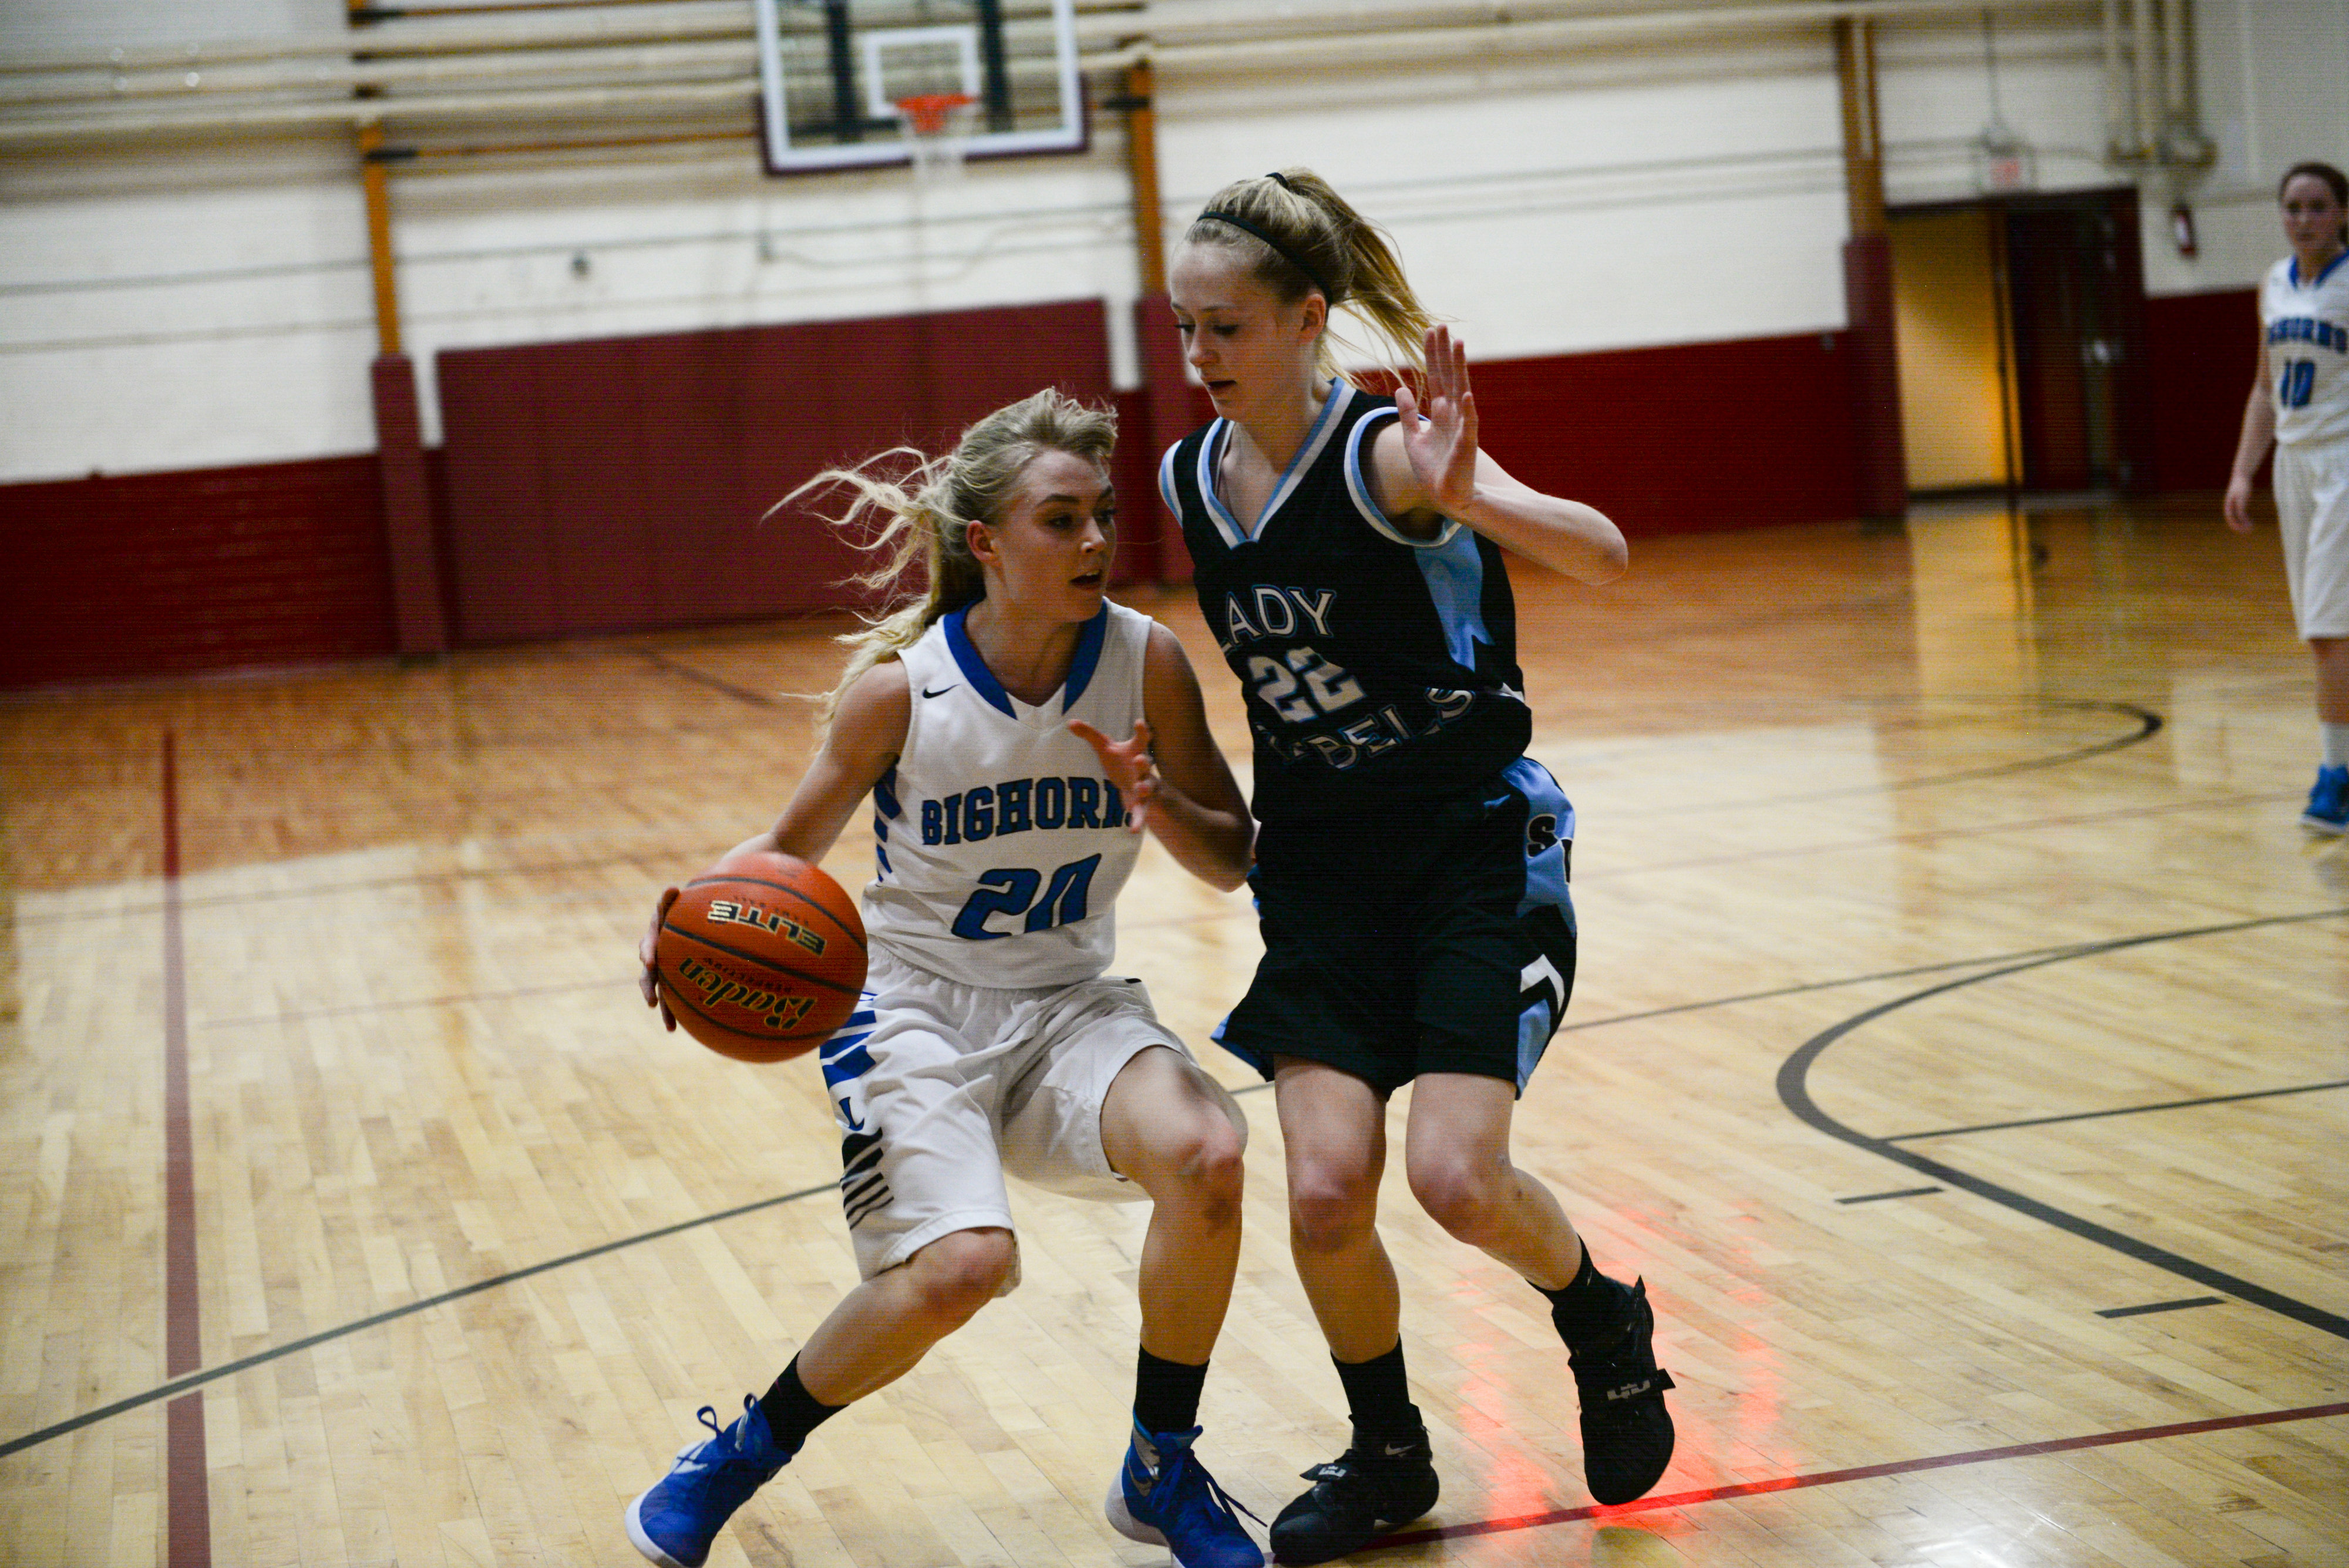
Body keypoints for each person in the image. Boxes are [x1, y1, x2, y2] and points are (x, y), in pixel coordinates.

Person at [625, 389, 1267, 1568]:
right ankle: (737, 1454)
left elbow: (1230, 860)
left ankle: (1158, 1468)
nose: (1090, 544)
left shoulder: (1145, 661)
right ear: (985, 543)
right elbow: (783, 854)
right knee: (964, 1268)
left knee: (1211, 1156)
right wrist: (679, 927)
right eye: (1057, 520)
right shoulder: (900, 693)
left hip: (1073, 1007)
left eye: (1101, 518)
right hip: (913, 1012)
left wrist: (1155, 802)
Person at [1156, 170, 1671, 1564]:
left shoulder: (1391, 457)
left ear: (1306, 319)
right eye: (1184, 329)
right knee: (1323, 1191)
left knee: (1452, 1177)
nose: (1198, 360)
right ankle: (1389, 1456)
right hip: (1319, 868)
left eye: (1227, 330)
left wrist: (1472, 496)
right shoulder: (1185, 479)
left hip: (1465, 851)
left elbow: (1607, 554)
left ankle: (1598, 1318)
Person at [2226, 160, 2349, 835]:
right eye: (2293, 207)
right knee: (2322, 633)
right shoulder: (2271, 284)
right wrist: (2244, 470)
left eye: (2318, 206)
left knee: (2330, 630)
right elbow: (2263, 386)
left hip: (2344, 462)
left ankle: (2335, 778)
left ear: (2343, 213)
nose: (2303, 218)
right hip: (2293, 468)